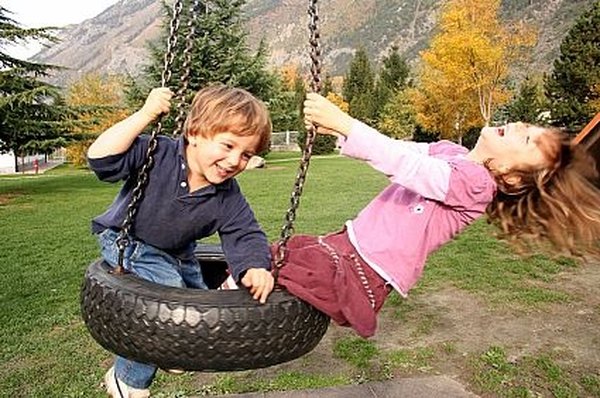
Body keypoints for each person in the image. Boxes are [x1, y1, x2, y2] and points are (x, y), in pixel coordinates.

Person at [273, 93, 600, 339]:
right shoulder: (451, 152)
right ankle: (236, 297)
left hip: (366, 266)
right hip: (348, 244)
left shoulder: (477, 185)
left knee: (285, 264)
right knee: (283, 257)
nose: (518, 126)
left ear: (509, 176)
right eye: (527, 126)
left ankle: (231, 315)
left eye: (526, 139)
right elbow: (395, 148)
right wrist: (336, 130)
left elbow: (408, 167)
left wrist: (344, 121)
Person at [87, 84, 275, 397]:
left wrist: (255, 266)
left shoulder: (226, 194)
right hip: (128, 241)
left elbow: (245, 232)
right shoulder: (157, 153)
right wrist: (145, 115)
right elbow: (101, 159)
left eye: (246, 154)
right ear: (196, 133)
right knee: (170, 305)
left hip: (178, 253)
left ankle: (170, 346)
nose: (234, 161)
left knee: (200, 309)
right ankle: (127, 379)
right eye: (228, 146)